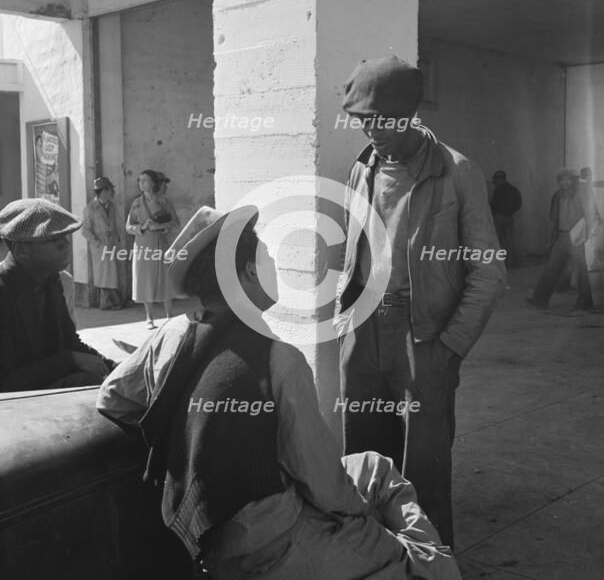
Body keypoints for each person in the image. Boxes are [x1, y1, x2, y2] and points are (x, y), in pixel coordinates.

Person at [97, 205, 461, 580]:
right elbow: (323, 484)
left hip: (207, 533)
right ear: (250, 272)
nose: (273, 263)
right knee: (431, 563)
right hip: (276, 546)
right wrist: (370, 523)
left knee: (375, 467)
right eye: (268, 255)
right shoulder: (279, 358)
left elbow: (114, 398)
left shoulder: (171, 336)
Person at [335, 55, 506, 548]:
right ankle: (369, 557)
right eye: (363, 121)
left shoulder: (456, 172)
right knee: (362, 460)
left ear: (409, 113)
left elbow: (489, 271)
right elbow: (355, 249)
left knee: (422, 469)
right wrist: (346, 320)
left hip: (423, 338)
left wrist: (448, 347)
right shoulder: (361, 169)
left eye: (380, 120)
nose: (371, 132)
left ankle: (428, 561)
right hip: (362, 331)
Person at [0, 198, 113, 392]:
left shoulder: (52, 280)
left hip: (42, 390)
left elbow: (70, 342)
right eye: (53, 239)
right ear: (21, 250)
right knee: (89, 385)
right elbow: (6, 383)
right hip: (13, 405)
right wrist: (70, 360)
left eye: (65, 236)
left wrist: (113, 367)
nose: (65, 245)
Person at [527, 168, 596, 311]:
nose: (564, 183)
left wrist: (587, 234)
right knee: (551, 268)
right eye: (561, 180)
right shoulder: (558, 195)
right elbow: (555, 218)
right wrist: (552, 238)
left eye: (568, 179)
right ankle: (540, 299)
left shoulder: (580, 193)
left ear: (573, 180)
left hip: (576, 235)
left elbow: (589, 214)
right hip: (562, 235)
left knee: (581, 269)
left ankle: (585, 301)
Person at [126, 169, 180, 329]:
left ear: (153, 183)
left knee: (165, 277)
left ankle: (170, 315)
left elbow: (175, 223)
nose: (141, 183)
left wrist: (161, 226)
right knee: (144, 279)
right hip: (142, 244)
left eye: (145, 180)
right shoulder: (136, 203)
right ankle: (149, 318)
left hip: (160, 242)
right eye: (139, 180)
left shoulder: (164, 202)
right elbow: (128, 226)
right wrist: (141, 228)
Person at [81, 177, 124, 310]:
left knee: (112, 273)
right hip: (100, 245)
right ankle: (106, 302)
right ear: (104, 191)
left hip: (111, 243)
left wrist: (117, 238)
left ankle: (111, 302)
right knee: (104, 274)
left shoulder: (111, 206)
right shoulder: (90, 208)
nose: (112, 192)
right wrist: (97, 243)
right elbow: (85, 229)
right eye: (110, 189)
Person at [490, 170, 522, 268]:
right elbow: (518, 204)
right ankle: (510, 263)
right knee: (509, 241)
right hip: (509, 217)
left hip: (498, 217)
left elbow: (493, 205)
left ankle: (500, 263)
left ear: (499, 179)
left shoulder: (498, 190)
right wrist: (510, 211)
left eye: (496, 181)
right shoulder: (513, 189)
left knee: (498, 240)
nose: (495, 183)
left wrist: (493, 214)